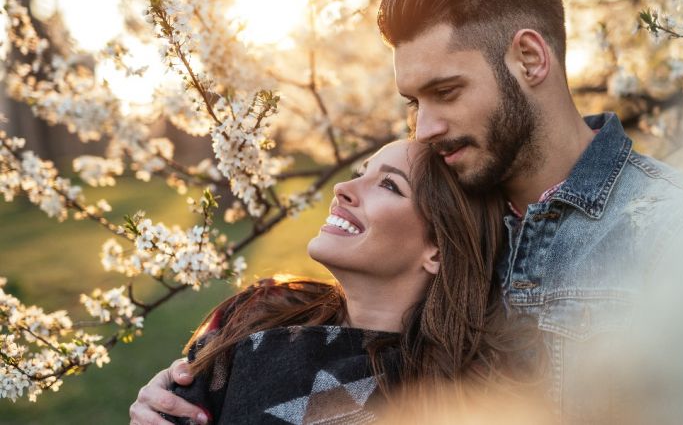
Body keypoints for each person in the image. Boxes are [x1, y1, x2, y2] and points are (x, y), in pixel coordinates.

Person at [133, 0, 683, 422]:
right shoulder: (450, 206)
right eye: (413, 102)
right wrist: (201, 381)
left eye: (446, 92)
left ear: (530, 59)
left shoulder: (675, 236)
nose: (425, 128)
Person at [131, 140, 541, 425]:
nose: (343, 189)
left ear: (437, 249)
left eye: (388, 184)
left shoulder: (443, 397)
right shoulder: (263, 306)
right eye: (360, 172)